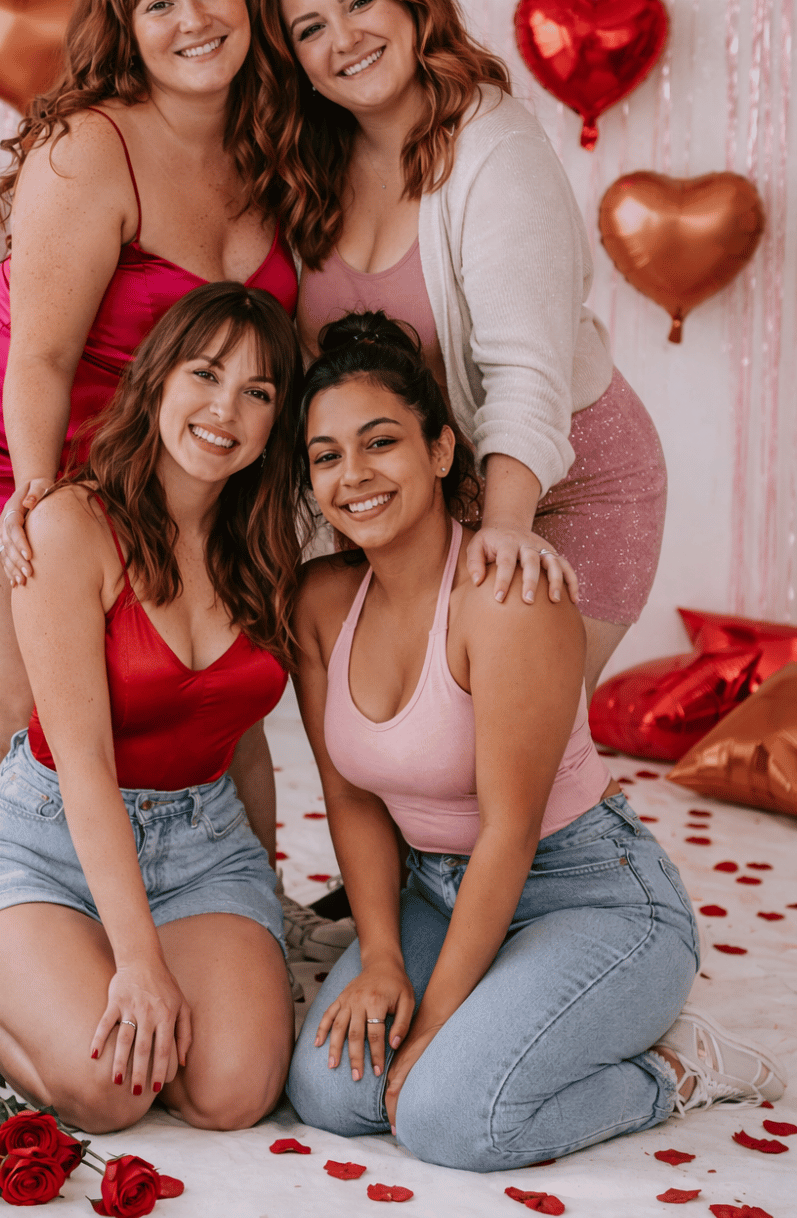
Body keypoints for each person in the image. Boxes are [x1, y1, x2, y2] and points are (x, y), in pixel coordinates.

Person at [0, 0, 346, 992]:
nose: (191, 18)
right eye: (157, 2)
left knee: (227, 677)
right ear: (125, 27)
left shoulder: (281, 136)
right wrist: (43, 503)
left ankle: (243, 890)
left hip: (173, 443)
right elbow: (40, 360)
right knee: (21, 691)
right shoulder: (89, 148)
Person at [285, 312, 786, 1170]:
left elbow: (510, 832)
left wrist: (433, 1023)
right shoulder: (321, 603)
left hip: (587, 891)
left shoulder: (507, 595)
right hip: (437, 893)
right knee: (333, 1097)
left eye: (380, 443)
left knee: (446, 1119)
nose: (354, 476)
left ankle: (679, 1069)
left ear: (442, 451)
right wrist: (378, 956)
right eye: (328, 456)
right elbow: (351, 799)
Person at [257, 0, 667, 697]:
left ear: (413, 3)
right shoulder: (305, 170)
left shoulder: (492, 147)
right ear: (297, 64)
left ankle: (594, 826)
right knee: (409, 733)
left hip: (567, 475)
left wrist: (507, 526)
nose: (344, 38)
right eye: (311, 28)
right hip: (427, 485)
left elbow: (524, 368)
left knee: (516, 739)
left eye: (361, 1)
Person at [0, 283, 299, 1133]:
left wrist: (266, 896)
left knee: (231, 1096)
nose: (226, 410)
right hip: (47, 839)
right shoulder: (70, 526)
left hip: (203, 846)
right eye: (205, 375)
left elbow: (243, 740)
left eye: (258, 392)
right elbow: (85, 763)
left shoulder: (271, 546)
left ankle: (93, 973)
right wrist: (138, 964)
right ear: (158, 381)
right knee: (109, 1094)